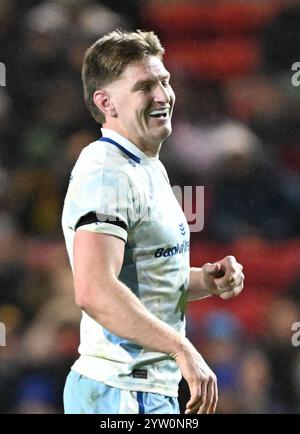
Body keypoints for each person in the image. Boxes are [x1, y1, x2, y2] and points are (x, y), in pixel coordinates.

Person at [61, 29, 244, 414]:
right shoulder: (107, 173)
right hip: (120, 393)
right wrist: (182, 348)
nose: (163, 95)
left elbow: (143, 277)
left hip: (140, 392)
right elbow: (94, 290)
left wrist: (203, 280)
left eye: (164, 80)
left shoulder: (145, 165)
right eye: (145, 86)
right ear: (105, 102)